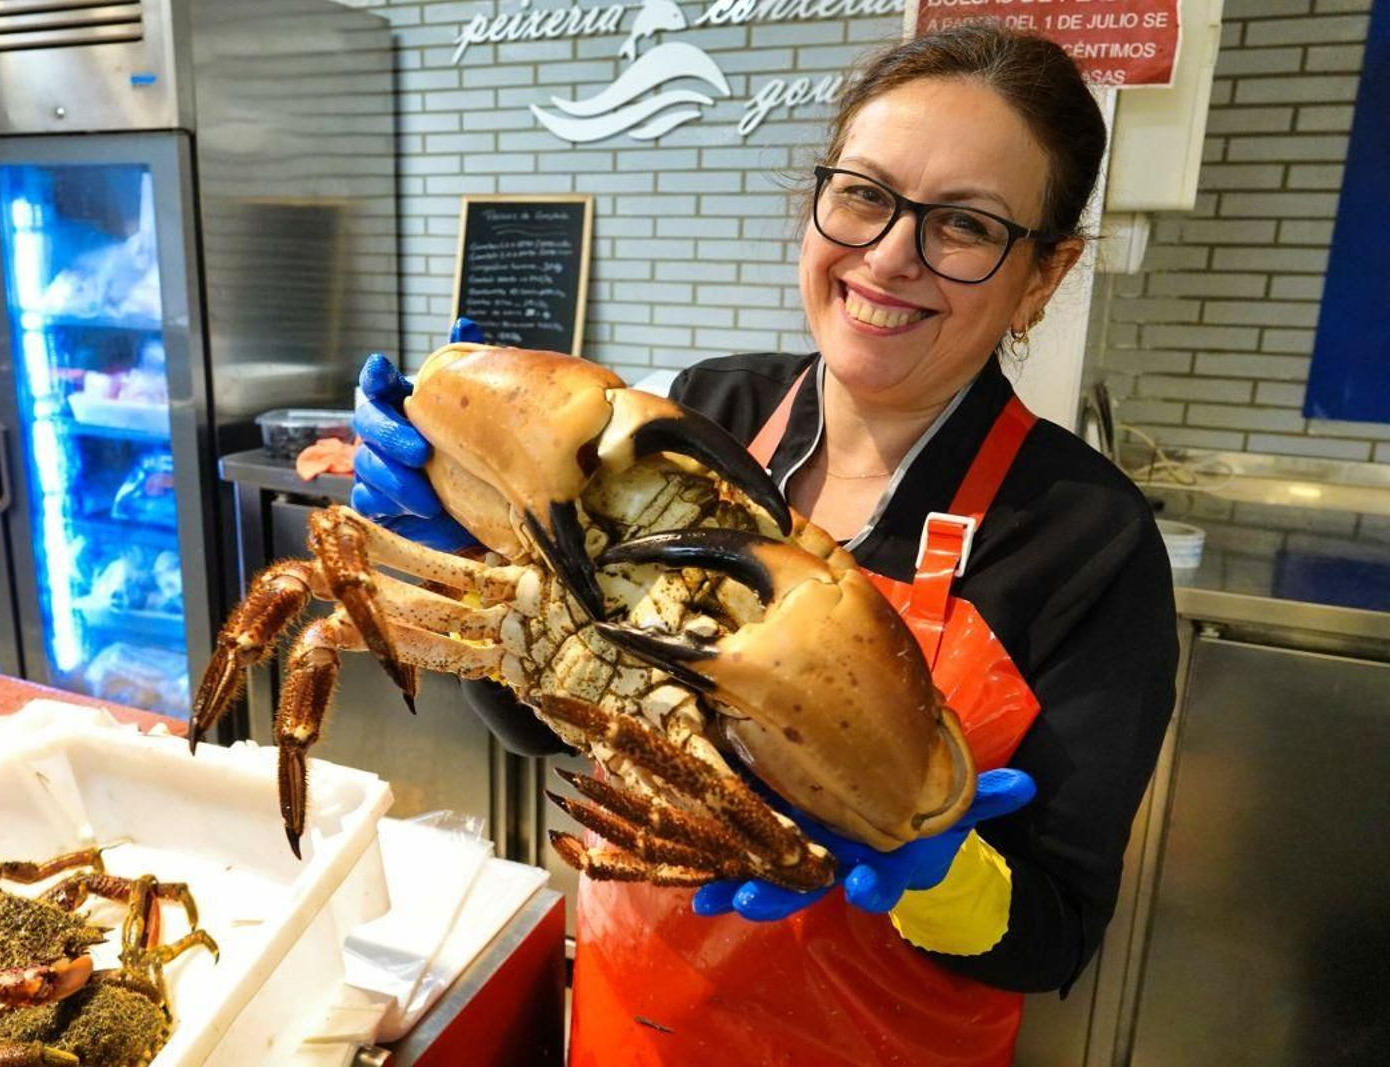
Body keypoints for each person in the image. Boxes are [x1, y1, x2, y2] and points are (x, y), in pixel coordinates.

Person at [351, 24, 1177, 1067]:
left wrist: (938, 873)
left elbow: (1057, 931)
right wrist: (491, 575)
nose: (890, 255)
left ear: (1044, 273)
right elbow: (552, 726)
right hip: (624, 1028)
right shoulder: (699, 415)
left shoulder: (1084, 539)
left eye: (964, 224)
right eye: (865, 195)